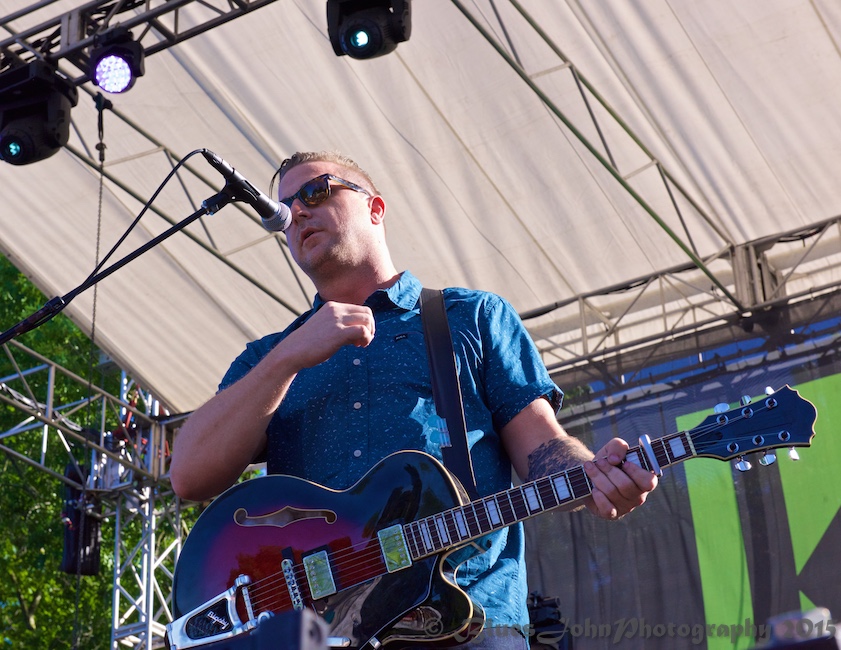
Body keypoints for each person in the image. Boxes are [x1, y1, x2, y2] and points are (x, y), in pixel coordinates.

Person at [169, 151, 658, 649]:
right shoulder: (267, 358)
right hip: (316, 634)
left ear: (375, 209)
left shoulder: (470, 317)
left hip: (467, 619)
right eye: (284, 204)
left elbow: (542, 450)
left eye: (316, 192)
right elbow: (188, 475)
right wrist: (287, 357)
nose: (296, 211)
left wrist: (595, 476)